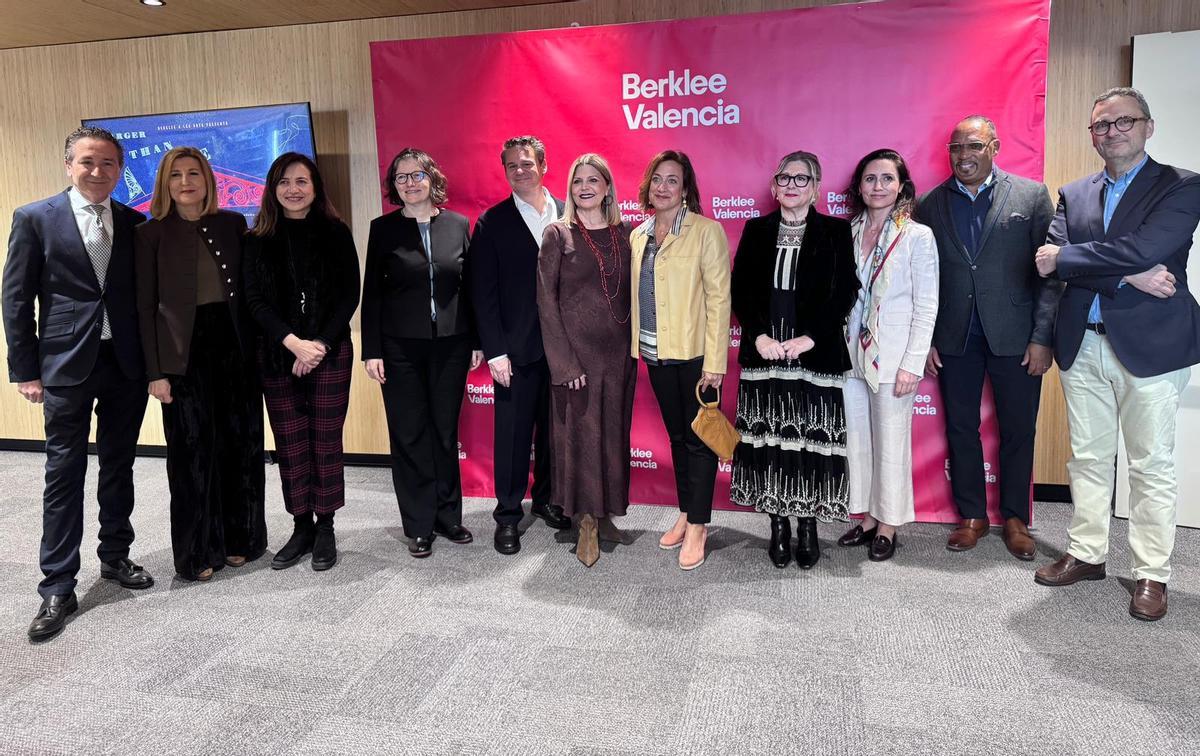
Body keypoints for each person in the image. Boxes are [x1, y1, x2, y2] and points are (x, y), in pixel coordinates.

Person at [1033, 87, 1200, 621]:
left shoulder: (1182, 185)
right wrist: (1128, 273)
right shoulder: (1074, 192)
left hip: (1151, 346)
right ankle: (1087, 552)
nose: (1111, 132)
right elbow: (1047, 263)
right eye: (1101, 125)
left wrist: (1076, 259)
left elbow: (1147, 248)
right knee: (1087, 457)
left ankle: (1152, 572)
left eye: (1123, 122)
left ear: (1148, 127)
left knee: (1150, 465)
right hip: (1083, 342)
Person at [4, 127, 154, 641]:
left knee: (120, 464)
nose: (98, 171)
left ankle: (115, 555)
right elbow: (17, 300)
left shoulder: (137, 224)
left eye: (109, 163)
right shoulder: (34, 219)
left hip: (125, 365)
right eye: (88, 162)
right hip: (65, 364)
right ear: (69, 164)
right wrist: (24, 368)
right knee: (63, 472)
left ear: (120, 169)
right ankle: (57, 584)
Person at [915, 116, 1059, 561]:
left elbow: (1049, 276)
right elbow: (924, 278)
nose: (963, 155)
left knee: (1018, 428)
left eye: (973, 146)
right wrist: (927, 338)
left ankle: (1014, 517)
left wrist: (1042, 337)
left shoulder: (1031, 196)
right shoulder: (930, 204)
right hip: (955, 337)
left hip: (1016, 337)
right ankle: (972, 516)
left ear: (994, 147)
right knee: (961, 427)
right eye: (956, 148)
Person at [134, 147, 266, 581]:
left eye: (195, 173)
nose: (186, 182)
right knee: (191, 454)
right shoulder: (149, 234)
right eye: (176, 175)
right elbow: (144, 308)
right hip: (182, 355)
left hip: (234, 347)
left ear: (209, 180)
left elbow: (249, 295)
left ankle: (241, 539)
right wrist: (155, 373)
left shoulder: (233, 224)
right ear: (165, 184)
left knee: (241, 445)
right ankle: (196, 552)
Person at [730, 151, 859, 569]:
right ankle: (778, 527)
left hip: (814, 356)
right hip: (765, 355)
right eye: (784, 178)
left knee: (810, 446)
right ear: (773, 186)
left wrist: (809, 338)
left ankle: (807, 527)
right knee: (770, 445)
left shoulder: (837, 232)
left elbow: (844, 293)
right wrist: (761, 335)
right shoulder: (756, 230)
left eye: (802, 179)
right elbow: (742, 290)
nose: (791, 185)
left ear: (817, 188)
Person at [362, 148, 481, 559]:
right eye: (401, 178)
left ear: (432, 178)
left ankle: (448, 516)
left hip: (451, 344)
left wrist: (478, 341)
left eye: (417, 175)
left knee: (445, 432)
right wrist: (371, 350)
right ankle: (418, 524)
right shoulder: (383, 230)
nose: (410, 184)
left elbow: (471, 289)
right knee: (410, 434)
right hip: (399, 349)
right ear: (394, 186)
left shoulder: (458, 225)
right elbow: (372, 295)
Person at [243, 152, 359, 571]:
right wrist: (293, 342)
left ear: (315, 187)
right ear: (273, 190)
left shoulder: (335, 231)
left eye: (301, 181)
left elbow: (349, 294)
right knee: (291, 443)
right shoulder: (257, 237)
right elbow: (253, 300)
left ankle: (325, 524)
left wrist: (318, 345)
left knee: (325, 439)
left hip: (329, 353)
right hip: (277, 354)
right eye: (284, 182)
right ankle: (300, 525)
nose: (293, 189)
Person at [468, 135, 570, 555]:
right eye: (512, 165)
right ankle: (508, 514)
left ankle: (546, 500)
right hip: (515, 351)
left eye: (527, 163)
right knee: (512, 436)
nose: (520, 170)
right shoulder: (492, 222)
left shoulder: (569, 213)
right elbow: (482, 292)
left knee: (554, 432)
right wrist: (495, 351)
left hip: (564, 350)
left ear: (543, 165)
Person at [630, 150, 731, 571]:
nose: (663, 187)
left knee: (700, 439)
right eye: (657, 179)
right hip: (654, 354)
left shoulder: (707, 232)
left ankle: (699, 526)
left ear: (686, 187)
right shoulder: (639, 234)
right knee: (676, 437)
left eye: (672, 180)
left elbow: (719, 299)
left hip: (695, 356)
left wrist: (715, 362)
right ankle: (687, 511)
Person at [836, 148, 939, 562]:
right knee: (857, 439)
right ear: (859, 187)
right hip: (850, 355)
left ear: (901, 186)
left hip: (894, 357)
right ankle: (865, 518)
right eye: (870, 179)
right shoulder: (846, 232)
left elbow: (926, 304)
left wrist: (914, 362)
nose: (878, 187)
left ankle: (889, 523)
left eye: (887, 179)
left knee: (891, 441)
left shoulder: (917, 236)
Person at [536, 153, 636, 567]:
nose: (585, 187)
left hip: (618, 358)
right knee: (578, 440)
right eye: (578, 180)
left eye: (594, 179)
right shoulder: (558, 234)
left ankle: (607, 513)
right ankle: (584, 522)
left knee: (612, 435)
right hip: (575, 359)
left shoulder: (626, 233)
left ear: (608, 187)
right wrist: (564, 364)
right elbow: (545, 302)